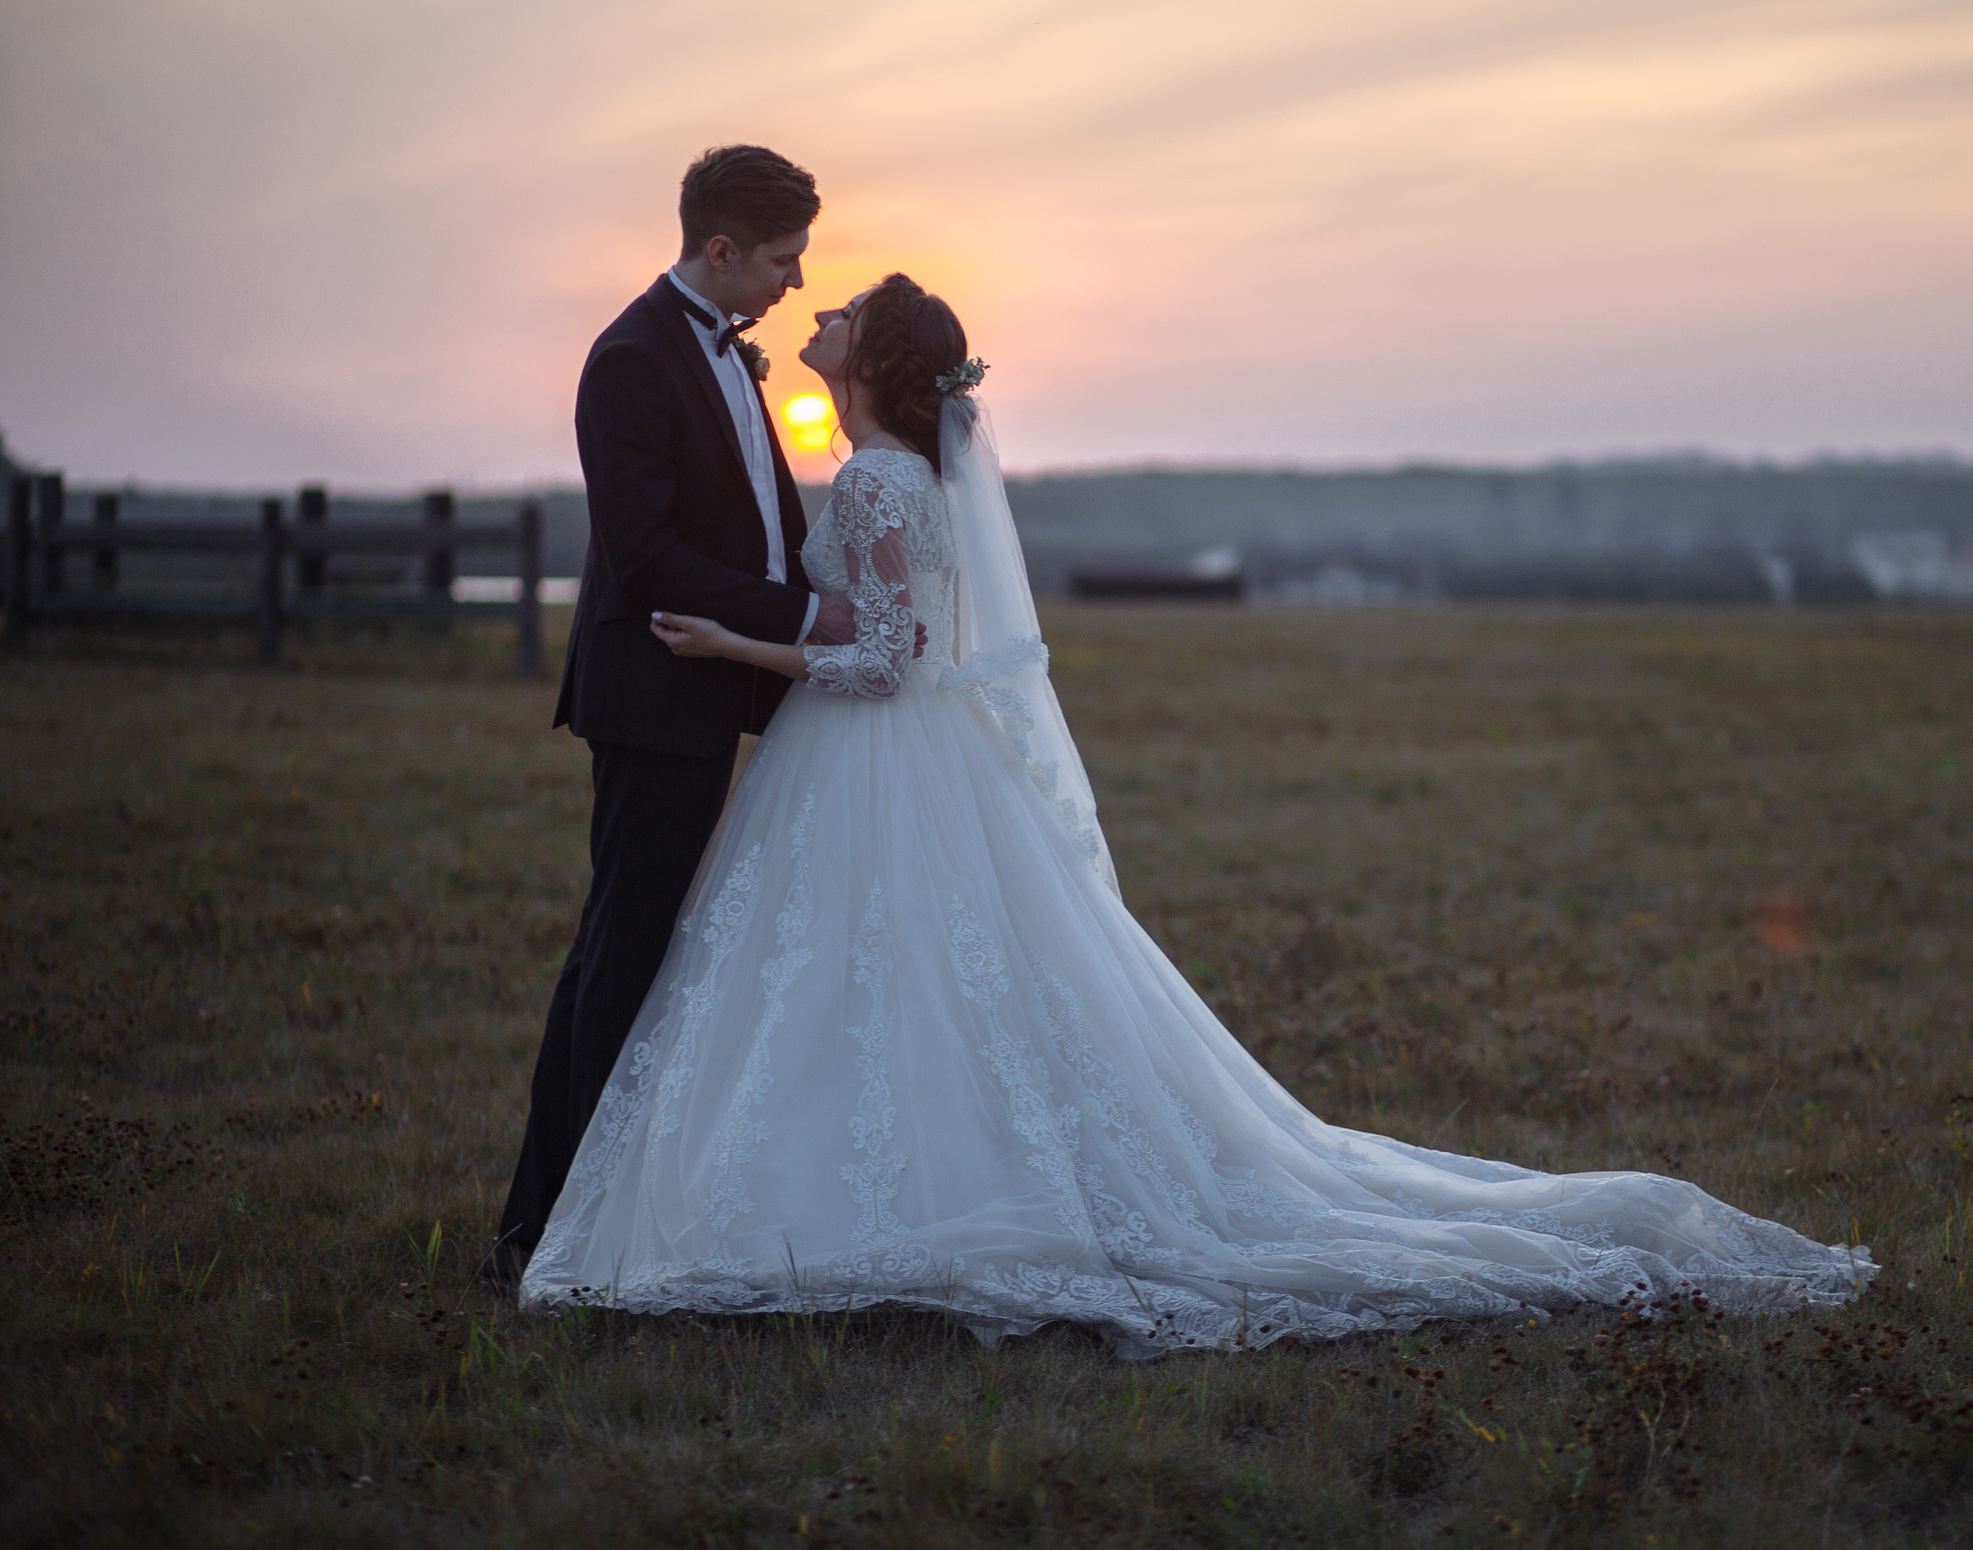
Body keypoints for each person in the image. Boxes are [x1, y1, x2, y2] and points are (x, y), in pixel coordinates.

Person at [518, 274, 1874, 1351]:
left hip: (869, 751)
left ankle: (843, 1194)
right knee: (913, 977)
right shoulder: (901, 475)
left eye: (845, 313)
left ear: (869, 364)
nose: (817, 314)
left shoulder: (876, 476)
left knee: (859, 973)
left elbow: (882, 658)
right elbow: (906, 634)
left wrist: (736, 646)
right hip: (907, 756)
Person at [486, 147, 860, 1290]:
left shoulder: (726, 351)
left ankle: (593, 1211)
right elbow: (646, 557)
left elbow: (750, 519)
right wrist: (809, 617)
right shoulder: (631, 360)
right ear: (721, 249)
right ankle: (548, 1226)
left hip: (722, 676)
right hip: (656, 691)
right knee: (624, 952)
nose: (796, 283)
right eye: (784, 261)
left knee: (647, 946)